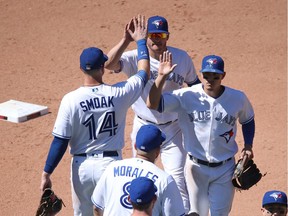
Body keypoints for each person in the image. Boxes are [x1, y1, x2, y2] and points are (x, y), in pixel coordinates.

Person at [39, 14, 150, 216]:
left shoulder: (70, 100)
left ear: (81, 68)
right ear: (102, 68)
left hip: (81, 168)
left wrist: (47, 173)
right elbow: (143, 73)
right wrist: (139, 41)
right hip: (110, 166)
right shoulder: (119, 93)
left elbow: (60, 141)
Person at [104, 15, 200, 212]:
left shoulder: (181, 58)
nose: (157, 39)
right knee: (141, 175)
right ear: (146, 36)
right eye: (153, 35)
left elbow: (195, 86)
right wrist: (125, 40)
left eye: (161, 35)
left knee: (177, 177)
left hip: (173, 128)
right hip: (143, 126)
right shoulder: (134, 58)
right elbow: (109, 64)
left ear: (167, 37)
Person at [147, 52, 256, 216]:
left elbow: (248, 120)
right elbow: (153, 103)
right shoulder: (187, 95)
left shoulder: (237, 98)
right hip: (195, 168)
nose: (210, 80)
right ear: (201, 74)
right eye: (206, 75)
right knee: (196, 213)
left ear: (223, 76)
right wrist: (161, 77)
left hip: (225, 169)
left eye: (215, 76)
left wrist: (248, 145)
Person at [91, 124, 186, 216]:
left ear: (135, 146)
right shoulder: (165, 180)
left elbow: (96, 207)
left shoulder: (112, 168)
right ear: (157, 152)